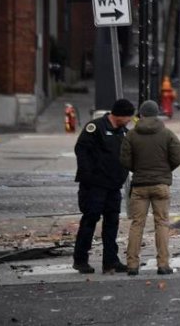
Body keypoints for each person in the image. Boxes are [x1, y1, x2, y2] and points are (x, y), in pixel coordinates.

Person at [119, 100, 180, 276]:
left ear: (141, 114)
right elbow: (177, 156)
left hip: (139, 185)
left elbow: (124, 160)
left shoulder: (131, 135)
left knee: (136, 224)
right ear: (157, 114)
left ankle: (132, 264)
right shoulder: (167, 134)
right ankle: (163, 264)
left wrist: (137, 169)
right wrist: (165, 170)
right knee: (161, 223)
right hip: (161, 185)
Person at [72, 98, 135, 275]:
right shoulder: (95, 128)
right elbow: (81, 151)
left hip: (113, 186)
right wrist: (90, 176)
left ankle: (110, 261)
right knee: (90, 220)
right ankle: (80, 259)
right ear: (119, 115)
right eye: (128, 116)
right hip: (94, 186)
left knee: (112, 223)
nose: (130, 120)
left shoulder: (123, 132)